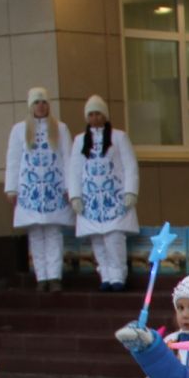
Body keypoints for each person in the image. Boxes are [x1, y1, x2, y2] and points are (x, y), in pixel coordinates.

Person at [4, 87, 74, 292]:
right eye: (37, 102)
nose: (41, 106)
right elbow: (14, 160)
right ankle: (41, 276)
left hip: (54, 190)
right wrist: (11, 189)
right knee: (35, 234)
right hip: (30, 191)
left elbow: (68, 158)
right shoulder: (19, 130)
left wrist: (70, 188)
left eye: (44, 102)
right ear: (31, 106)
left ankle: (54, 277)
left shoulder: (60, 128)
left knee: (53, 233)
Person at [68, 96, 139, 292]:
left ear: (105, 115)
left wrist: (130, 191)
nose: (94, 117)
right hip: (91, 201)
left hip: (114, 199)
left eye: (98, 113)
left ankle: (118, 275)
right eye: (90, 114)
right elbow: (74, 170)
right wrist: (75, 196)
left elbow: (130, 166)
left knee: (114, 239)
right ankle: (105, 275)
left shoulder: (119, 137)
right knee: (98, 241)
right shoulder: (80, 140)